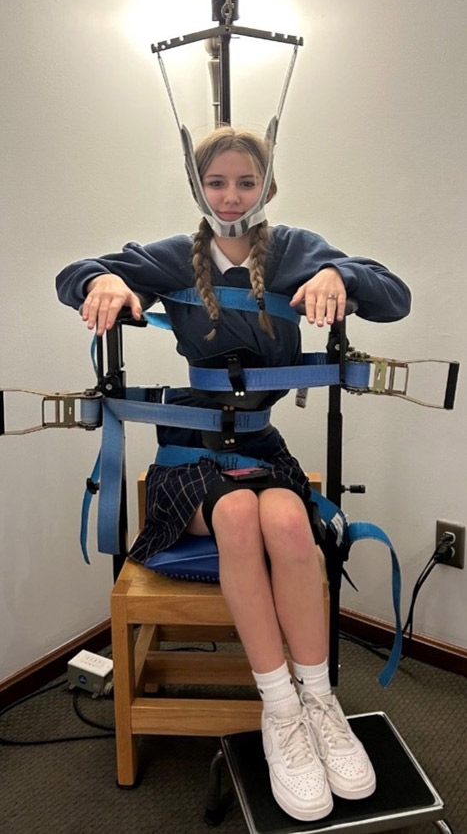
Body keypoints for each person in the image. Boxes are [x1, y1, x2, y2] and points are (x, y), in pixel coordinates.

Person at [56, 126, 411, 822]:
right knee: (239, 515)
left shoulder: (295, 251)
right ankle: (279, 710)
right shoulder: (171, 258)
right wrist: (98, 280)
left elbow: (392, 295)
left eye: (245, 182)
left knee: (285, 517)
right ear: (198, 188)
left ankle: (319, 704)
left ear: (267, 187)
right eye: (215, 182)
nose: (229, 196)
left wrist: (341, 277)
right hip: (189, 449)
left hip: (259, 443)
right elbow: (75, 271)